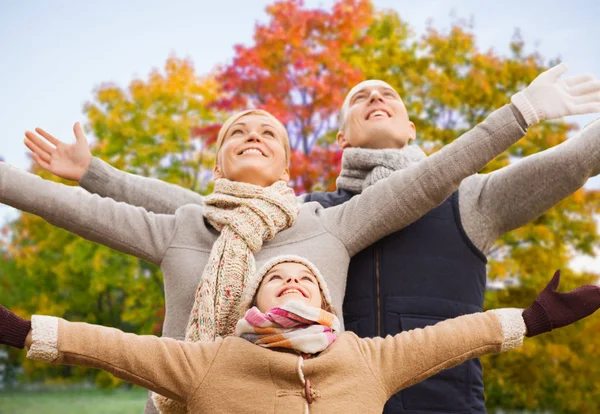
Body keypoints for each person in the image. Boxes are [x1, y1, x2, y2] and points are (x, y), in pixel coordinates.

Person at [18, 63, 600, 412]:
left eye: (389, 94)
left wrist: (522, 111)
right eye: (359, 97)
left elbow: (449, 175)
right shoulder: (276, 219)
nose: (375, 98)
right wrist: (95, 174)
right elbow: (178, 212)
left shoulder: (440, 203)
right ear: (339, 141)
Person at [1, 256, 599, 413]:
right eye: (276, 279)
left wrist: (534, 318)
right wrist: (20, 330)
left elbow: (453, 337)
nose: (290, 283)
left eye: (302, 280)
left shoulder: (366, 357)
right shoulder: (207, 362)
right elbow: (109, 345)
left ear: (324, 301)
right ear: (254, 301)